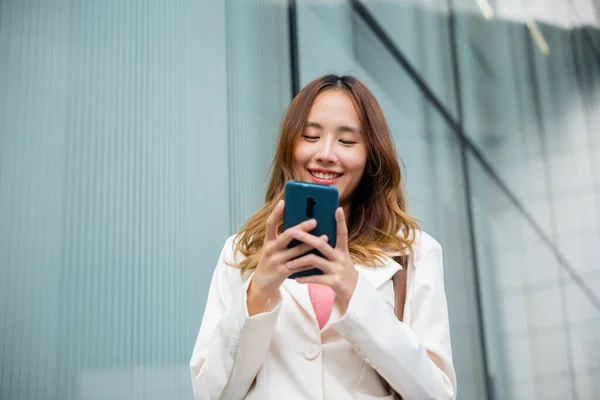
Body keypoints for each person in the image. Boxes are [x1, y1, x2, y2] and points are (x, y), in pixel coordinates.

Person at [190, 75, 457, 399]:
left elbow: (436, 394)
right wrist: (259, 291)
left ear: (371, 155)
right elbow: (210, 394)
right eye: (310, 136)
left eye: (347, 141)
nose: (327, 154)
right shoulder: (242, 252)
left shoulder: (413, 251)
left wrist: (353, 291)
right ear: (290, 146)